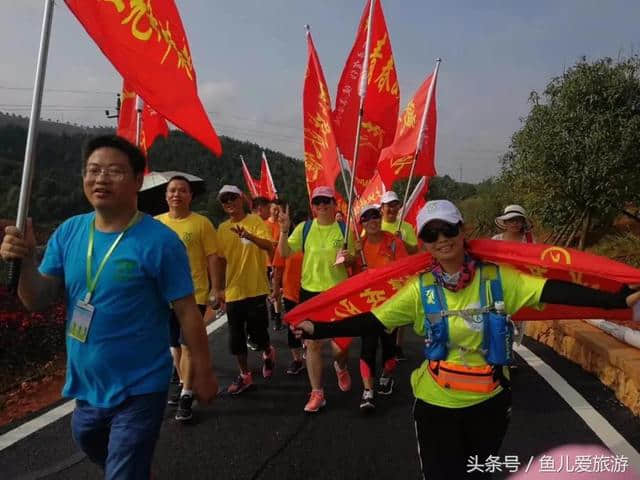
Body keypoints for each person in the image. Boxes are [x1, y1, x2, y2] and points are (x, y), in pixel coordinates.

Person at [293, 199, 640, 480]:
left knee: (477, 472)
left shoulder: (498, 279)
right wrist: (318, 329)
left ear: (463, 231)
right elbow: (372, 321)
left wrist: (614, 299)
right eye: (432, 234)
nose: (442, 239)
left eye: (448, 230)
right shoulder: (420, 289)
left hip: (489, 402)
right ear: (425, 243)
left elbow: (552, 289)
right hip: (435, 404)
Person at [0, 135, 217, 479]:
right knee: (90, 440)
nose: (100, 178)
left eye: (114, 171)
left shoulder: (160, 241)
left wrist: (202, 371)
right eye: (93, 170)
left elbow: (187, 312)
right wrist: (26, 261)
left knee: (123, 471)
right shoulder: (70, 231)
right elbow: (37, 299)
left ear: (136, 181)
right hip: (86, 386)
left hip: (141, 387)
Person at [278, 186, 355, 413]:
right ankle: (317, 392)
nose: (322, 205)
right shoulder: (304, 228)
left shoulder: (344, 228)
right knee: (313, 344)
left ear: (334, 204)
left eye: (326, 201)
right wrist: (283, 230)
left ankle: (340, 366)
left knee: (340, 346)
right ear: (312, 206)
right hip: (310, 294)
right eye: (317, 201)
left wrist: (349, 258)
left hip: (338, 294)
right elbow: (284, 253)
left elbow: (352, 261)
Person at [155, 175, 219, 422]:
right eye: (172, 190)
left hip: (194, 294)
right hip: (162, 296)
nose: (176, 194)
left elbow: (213, 256)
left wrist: (216, 288)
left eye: (182, 190)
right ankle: (183, 381)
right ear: (166, 195)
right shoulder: (156, 224)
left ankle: (186, 394)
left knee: (187, 345)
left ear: (190, 196)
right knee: (173, 346)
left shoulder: (202, 223)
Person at [214, 185, 276, 394]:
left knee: (258, 335)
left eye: (232, 198)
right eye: (225, 200)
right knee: (236, 337)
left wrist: (249, 236)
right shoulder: (222, 229)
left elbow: (270, 247)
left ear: (242, 199)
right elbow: (221, 261)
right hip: (234, 292)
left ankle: (268, 351)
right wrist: (219, 289)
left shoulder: (255, 221)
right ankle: (244, 375)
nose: (229, 203)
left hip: (256, 289)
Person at [354, 204, 408, 412]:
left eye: (376, 216)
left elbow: (405, 271)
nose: (373, 221)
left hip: (391, 306)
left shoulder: (394, 243)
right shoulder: (360, 246)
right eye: (367, 218)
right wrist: (352, 258)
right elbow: (352, 276)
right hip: (368, 306)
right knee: (367, 347)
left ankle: (386, 377)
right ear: (363, 224)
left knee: (389, 348)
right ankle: (368, 392)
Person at [380, 190, 419, 360]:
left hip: (401, 276)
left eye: (395, 205)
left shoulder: (406, 227)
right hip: (380, 277)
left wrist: (400, 241)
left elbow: (414, 249)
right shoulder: (375, 224)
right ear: (382, 208)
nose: (392, 209)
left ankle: (398, 345)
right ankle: (384, 343)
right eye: (389, 205)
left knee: (400, 313)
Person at [272, 211, 308, 375]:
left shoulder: (313, 244)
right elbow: (278, 269)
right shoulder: (286, 244)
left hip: (310, 292)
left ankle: (310, 350)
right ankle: (297, 360)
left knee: (310, 327)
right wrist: (275, 291)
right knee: (293, 328)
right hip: (290, 294)